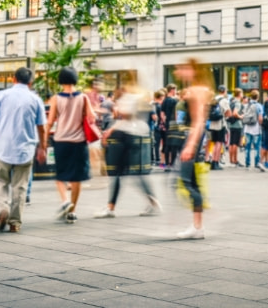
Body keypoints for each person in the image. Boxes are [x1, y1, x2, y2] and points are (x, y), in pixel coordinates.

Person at [0, 67, 46, 233]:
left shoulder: (2, 96)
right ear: (30, 82)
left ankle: (2, 209)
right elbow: (42, 128)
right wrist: (42, 148)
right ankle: (15, 223)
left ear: (13, 79)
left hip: (3, 148)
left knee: (0, 182)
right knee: (20, 186)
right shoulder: (35, 99)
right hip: (25, 150)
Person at [94, 75, 162, 219]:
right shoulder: (140, 98)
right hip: (139, 136)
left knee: (119, 174)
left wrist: (110, 131)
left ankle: (111, 208)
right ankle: (151, 203)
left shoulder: (128, 98)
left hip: (126, 137)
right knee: (134, 174)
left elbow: (125, 117)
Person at [45, 67, 96, 224]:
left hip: (61, 140)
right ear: (75, 79)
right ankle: (72, 211)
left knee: (60, 175)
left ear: (61, 80)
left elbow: (50, 121)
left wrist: (44, 140)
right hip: (79, 142)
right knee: (76, 178)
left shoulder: (56, 98)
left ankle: (65, 201)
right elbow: (92, 117)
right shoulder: (83, 98)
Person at [173, 59, 214, 239]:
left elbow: (198, 121)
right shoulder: (199, 89)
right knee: (190, 181)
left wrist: (190, 145)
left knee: (186, 181)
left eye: (182, 68)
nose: (178, 71)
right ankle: (197, 226)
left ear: (192, 70)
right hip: (194, 139)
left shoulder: (196, 90)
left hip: (192, 139)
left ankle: (198, 225)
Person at [208, 85, 231, 170]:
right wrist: (226, 116)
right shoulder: (224, 100)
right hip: (220, 124)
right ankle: (215, 162)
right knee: (219, 143)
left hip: (212, 123)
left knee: (214, 143)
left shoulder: (214, 99)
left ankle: (212, 162)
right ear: (224, 91)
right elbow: (229, 113)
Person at [243, 90, 263, 170]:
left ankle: (247, 163)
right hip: (256, 128)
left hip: (247, 128)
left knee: (247, 146)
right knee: (256, 146)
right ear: (258, 97)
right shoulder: (259, 106)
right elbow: (260, 118)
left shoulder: (246, 105)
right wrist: (261, 124)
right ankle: (256, 163)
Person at [160, 84, 178, 169]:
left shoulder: (165, 100)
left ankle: (167, 163)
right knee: (173, 144)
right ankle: (172, 163)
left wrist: (164, 121)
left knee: (167, 144)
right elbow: (176, 113)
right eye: (175, 90)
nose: (175, 92)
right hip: (174, 123)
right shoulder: (174, 101)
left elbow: (162, 113)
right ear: (172, 90)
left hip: (167, 123)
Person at [228, 88, 244, 167]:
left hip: (231, 124)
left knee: (231, 143)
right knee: (235, 143)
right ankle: (235, 160)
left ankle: (231, 160)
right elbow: (235, 113)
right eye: (242, 93)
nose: (243, 95)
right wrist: (240, 117)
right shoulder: (237, 103)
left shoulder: (232, 101)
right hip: (237, 124)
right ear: (239, 94)